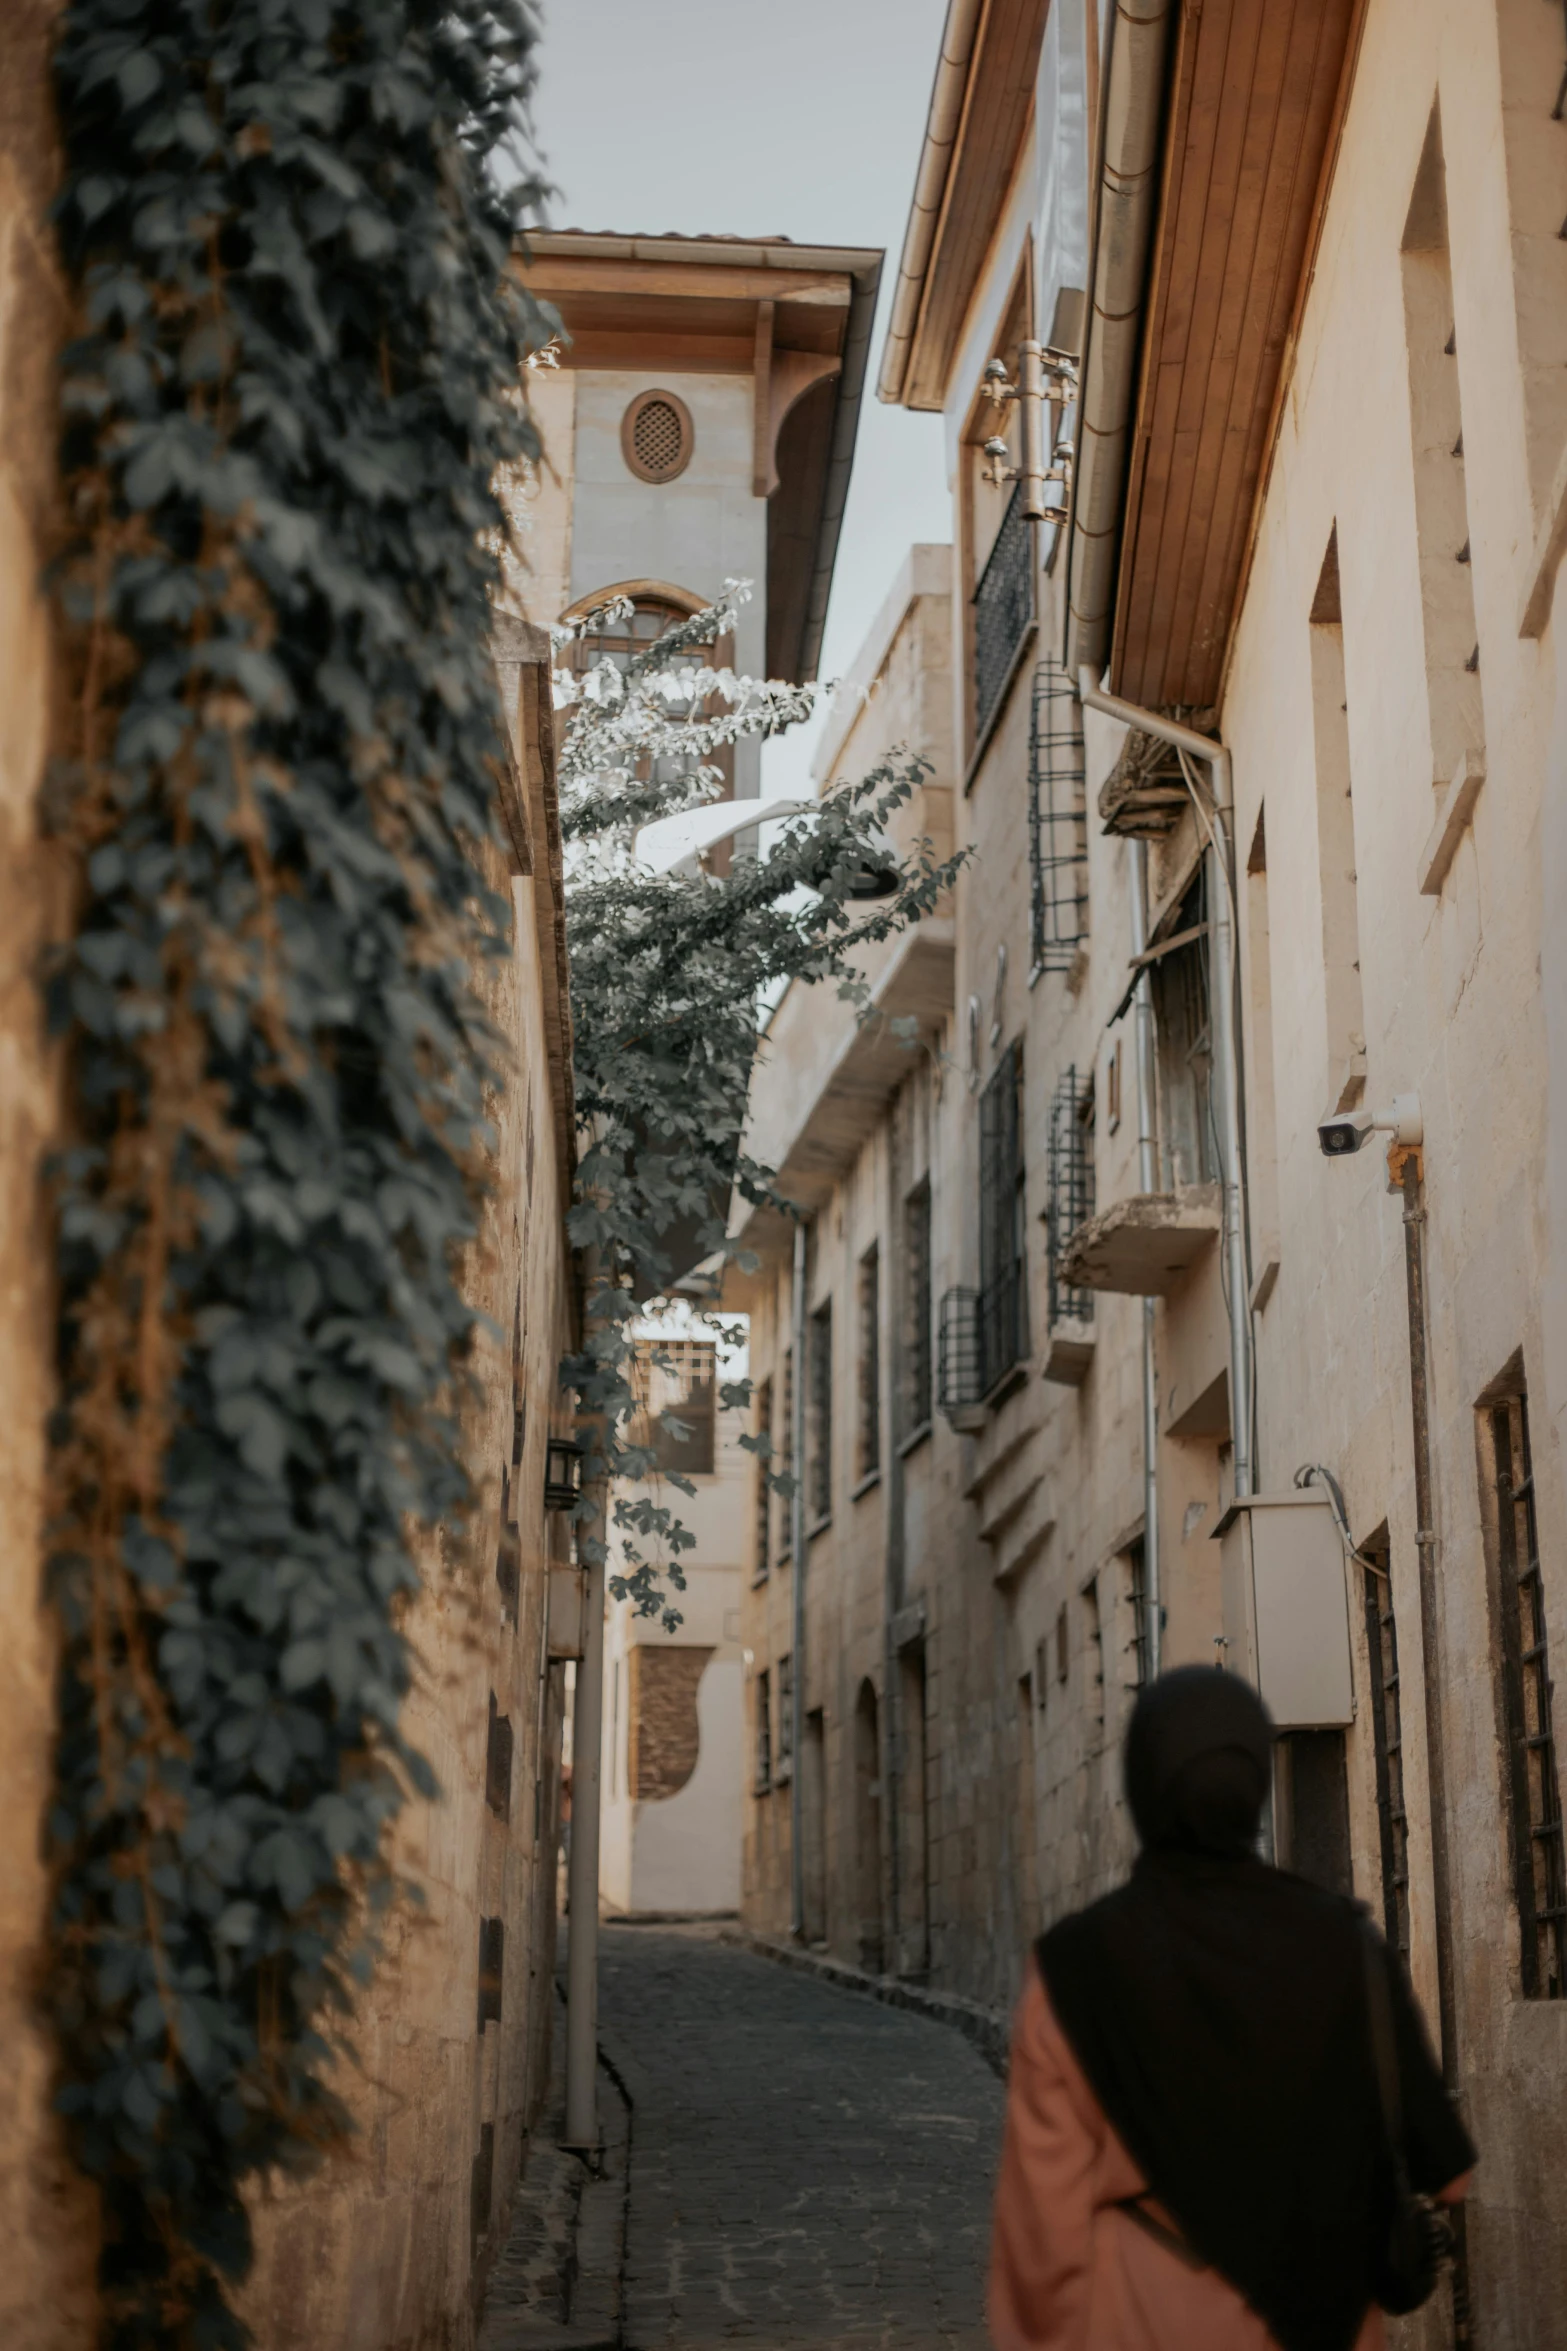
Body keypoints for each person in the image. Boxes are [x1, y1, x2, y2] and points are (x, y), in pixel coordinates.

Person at [988, 1666, 1474, 2351]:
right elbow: (1446, 2174)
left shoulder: (1072, 1967)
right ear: (1255, 1783)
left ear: (1140, 1785)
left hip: (1143, 2314)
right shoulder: (1348, 1947)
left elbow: (1043, 2230)